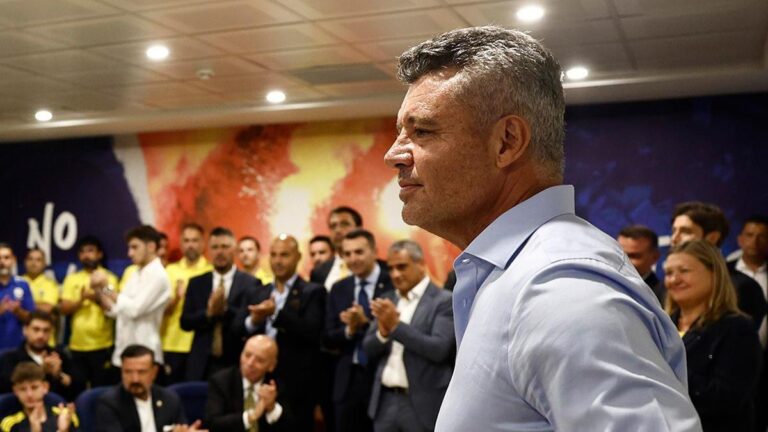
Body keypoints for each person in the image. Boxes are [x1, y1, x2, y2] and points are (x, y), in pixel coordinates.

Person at [383, 26, 700, 430]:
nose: (394, 154)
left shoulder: (559, 289)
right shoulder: (516, 274)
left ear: (506, 142)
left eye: (422, 131)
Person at [664, 240, 762, 431]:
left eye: (684, 271)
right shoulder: (661, 326)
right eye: (668, 273)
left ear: (714, 274)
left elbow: (727, 398)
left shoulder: (737, 328)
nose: (674, 280)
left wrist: (668, 368)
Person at [363, 240, 454, 432]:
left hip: (422, 403)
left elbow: (439, 350)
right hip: (385, 400)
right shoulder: (387, 299)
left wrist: (396, 327)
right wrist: (383, 333)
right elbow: (368, 349)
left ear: (421, 264)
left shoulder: (443, 300)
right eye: (391, 268)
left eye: (402, 267)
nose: (395, 274)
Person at [243, 234, 325, 431]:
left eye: (284, 255)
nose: (278, 261)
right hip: (258, 378)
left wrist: (276, 313)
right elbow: (237, 329)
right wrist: (254, 320)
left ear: (298, 257)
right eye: (274, 255)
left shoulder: (312, 291)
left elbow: (312, 332)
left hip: (296, 381)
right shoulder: (258, 291)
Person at [325, 229, 393, 432]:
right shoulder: (339, 288)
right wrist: (350, 329)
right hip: (347, 381)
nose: (353, 259)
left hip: (383, 379)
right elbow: (327, 337)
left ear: (374, 251)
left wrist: (366, 322)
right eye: (347, 254)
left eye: (359, 252)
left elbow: (399, 329)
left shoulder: (392, 282)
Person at [671, 202, 767, 331]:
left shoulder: (744, 288)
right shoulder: (666, 286)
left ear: (712, 238)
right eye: (674, 231)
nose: (674, 238)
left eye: (685, 231)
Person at [181, 227, 258, 381]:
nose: (220, 252)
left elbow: (249, 323)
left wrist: (225, 310)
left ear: (234, 249)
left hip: (235, 361)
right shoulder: (197, 283)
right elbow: (185, 322)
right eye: (215, 247)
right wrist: (208, 313)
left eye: (225, 247)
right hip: (201, 363)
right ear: (208, 250)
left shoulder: (251, 283)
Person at [95, 226, 170, 367]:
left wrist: (106, 286)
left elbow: (134, 310)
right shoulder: (134, 273)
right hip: (123, 352)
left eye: (135, 247)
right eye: (129, 248)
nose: (129, 253)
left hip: (145, 355)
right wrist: (99, 289)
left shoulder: (159, 276)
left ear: (151, 247)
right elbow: (117, 309)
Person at [94, 345, 203, 432]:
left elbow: (181, 427)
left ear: (154, 372)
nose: (135, 379)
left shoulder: (170, 398)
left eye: (141, 372)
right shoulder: (109, 403)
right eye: (128, 372)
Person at [59, 236, 119, 387]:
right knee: (77, 388)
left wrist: (97, 296)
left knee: (102, 389)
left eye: (91, 251)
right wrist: (81, 299)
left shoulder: (109, 278)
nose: (86, 255)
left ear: (99, 254)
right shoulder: (72, 279)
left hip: (103, 345)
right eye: (83, 252)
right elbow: (63, 308)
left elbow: (116, 308)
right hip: (77, 345)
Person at [205, 335, 290, 431]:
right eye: (247, 355)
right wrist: (252, 416)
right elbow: (212, 423)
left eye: (259, 360)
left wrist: (272, 408)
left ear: (271, 366)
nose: (250, 363)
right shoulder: (221, 381)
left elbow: (290, 427)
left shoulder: (275, 386)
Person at [161, 223, 212, 384]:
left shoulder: (211, 271)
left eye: (195, 240)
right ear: (181, 244)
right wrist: (177, 298)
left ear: (203, 243)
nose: (191, 245)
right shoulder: (169, 271)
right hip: (172, 344)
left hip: (201, 345)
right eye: (186, 240)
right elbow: (161, 310)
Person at [0, 311, 84, 401]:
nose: (41, 335)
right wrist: (41, 371)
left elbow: (79, 389)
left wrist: (58, 375)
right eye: (36, 329)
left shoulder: (60, 356)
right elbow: (6, 388)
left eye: (46, 330)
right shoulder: (9, 358)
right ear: (25, 330)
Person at [0, 362, 77, 432]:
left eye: (34, 387)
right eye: (22, 389)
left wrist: (63, 430)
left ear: (45, 387)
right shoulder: (9, 424)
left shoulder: (65, 416)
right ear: (15, 391)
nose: (29, 394)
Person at [311, 207, 363, 291]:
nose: (338, 230)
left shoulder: (378, 267)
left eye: (344, 224)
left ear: (359, 229)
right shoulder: (318, 272)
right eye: (333, 226)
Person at [0, 244, 35, 352]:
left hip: (18, 348)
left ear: (13, 260)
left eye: (6, 258)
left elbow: (31, 318)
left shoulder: (23, 284)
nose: (2, 262)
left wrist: (18, 311)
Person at [617, 224, 664, 303]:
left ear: (655, 257)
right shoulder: (604, 287)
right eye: (619, 254)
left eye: (633, 256)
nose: (624, 261)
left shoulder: (663, 297)